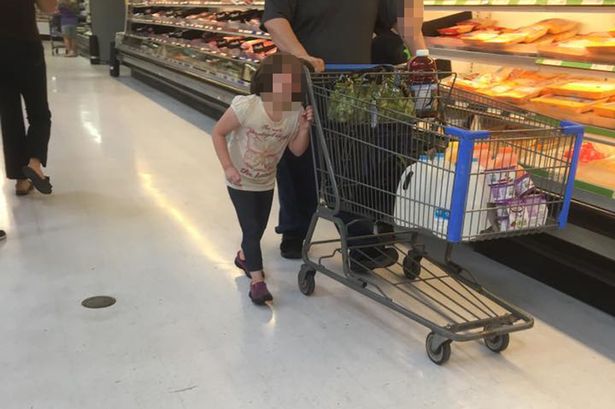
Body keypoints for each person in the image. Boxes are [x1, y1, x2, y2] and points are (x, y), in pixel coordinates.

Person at [263, 0, 426, 267]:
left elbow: (402, 17)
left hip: (353, 91)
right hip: (303, 83)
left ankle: (359, 243)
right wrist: (302, 56)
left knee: (352, 166)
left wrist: (421, 54)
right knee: (299, 160)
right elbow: (274, 19)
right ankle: (294, 230)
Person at [211, 53, 313, 305]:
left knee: (258, 226)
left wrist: (303, 129)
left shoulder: (293, 112)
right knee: (252, 229)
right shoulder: (247, 106)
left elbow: (297, 150)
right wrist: (227, 167)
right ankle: (257, 282)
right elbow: (218, 132)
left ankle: (244, 257)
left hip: (266, 181)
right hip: (239, 179)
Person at [0, 0, 56, 196]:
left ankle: (21, 181)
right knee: (39, 112)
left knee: (9, 116)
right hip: (26, 46)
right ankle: (34, 164)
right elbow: (49, 7)